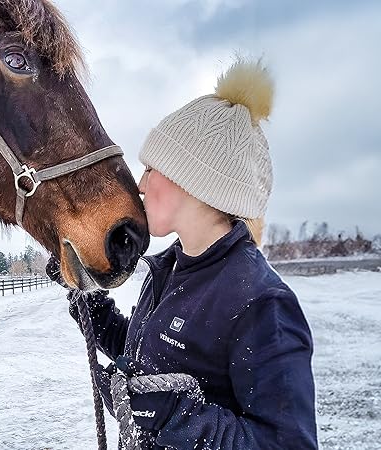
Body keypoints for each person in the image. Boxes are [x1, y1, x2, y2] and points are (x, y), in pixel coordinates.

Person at [48, 59, 318, 449]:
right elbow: (149, 353)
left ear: (193, 180)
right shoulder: (169, 269)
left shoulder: (261, 303)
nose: (139, 185)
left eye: (150, 169)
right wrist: (90, 304)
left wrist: (173, 416)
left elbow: (288, 443)